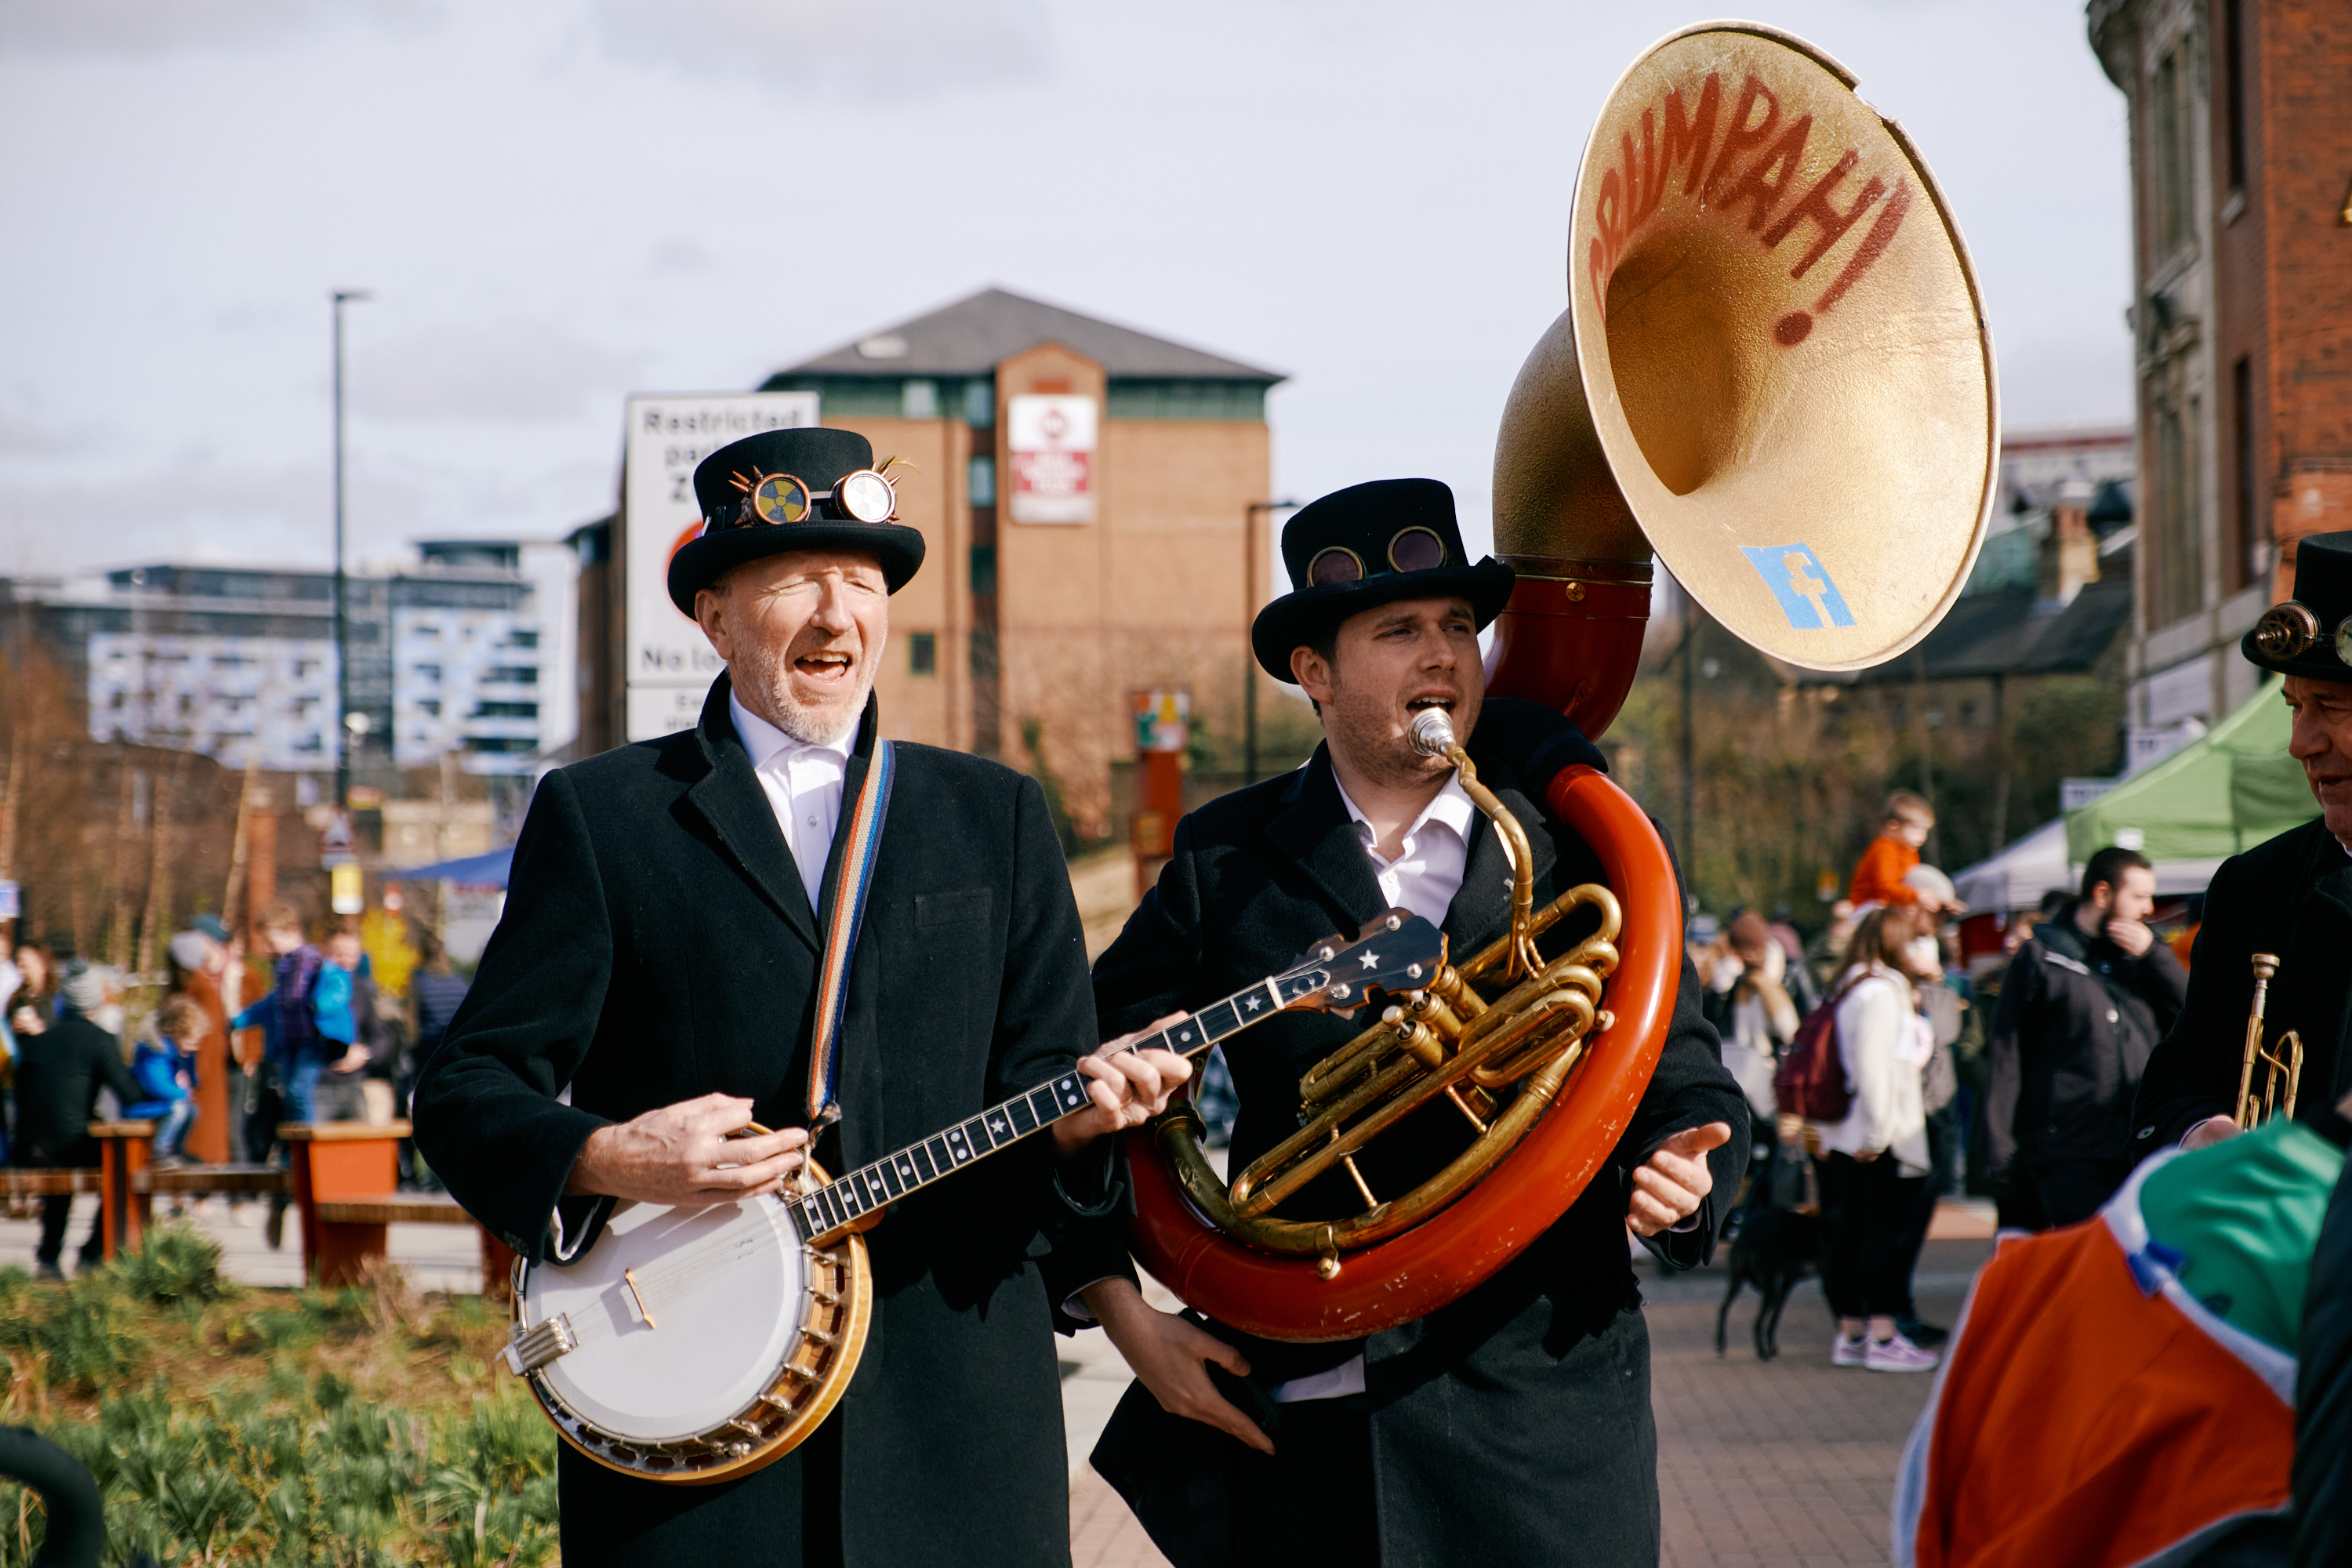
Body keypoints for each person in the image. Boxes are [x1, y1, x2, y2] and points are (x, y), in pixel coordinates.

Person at [411, 426, 1192, 1568]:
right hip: (696, 1433)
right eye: (795, 584)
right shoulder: (606, 815)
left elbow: (1048, 1108)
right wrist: (612, 1157)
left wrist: (1082, 1125)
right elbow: (466, 1088)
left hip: (953, 1426)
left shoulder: (998, 815)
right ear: (714, 617)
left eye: (863, 584)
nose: (837, 616)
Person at [1080, 479, 1748, 1566]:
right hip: (1297, 1426)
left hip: (1535, 1422)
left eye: (1456, 628)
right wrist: (1120, 1311)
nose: (1442, 657)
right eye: (1398, 632)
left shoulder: (1576, 847)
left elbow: (1686, 1071)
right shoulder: (1223, 858)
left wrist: (1683, 1163)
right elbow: (1094, 1081)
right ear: (1315, 672)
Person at [2132, 532, 2352, 1167]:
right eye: (2293, 708)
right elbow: (2176, 1082)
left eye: (2330, 707)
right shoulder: (2253, 887)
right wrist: (2202, 1129)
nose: (2300, 743)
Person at [1983, 846, 2184, 1227]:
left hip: (2137, 1143)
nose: (2149, 908)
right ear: (2103, 894)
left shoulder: (2141, 959)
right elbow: (2007, 1051)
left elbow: (2192, 1013)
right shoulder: (2041, 958)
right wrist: (2000, 1144)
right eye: (2139, 896)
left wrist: (2156, 957)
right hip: (2069, 1147)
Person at [1814, 902, 1941, 1373]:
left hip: (1842, 1132)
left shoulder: (1848, 987)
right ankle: (1883, 1337)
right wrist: (1880, 1131)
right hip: (1874, 1135)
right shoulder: (1882, 992)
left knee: (1847, 1234)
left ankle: (1851, 1335)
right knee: (1880, 1236)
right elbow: (1875, 1066)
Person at [12, 963, 141, 1278]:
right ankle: (92, 1254)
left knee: (61, 1174)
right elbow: (129, 1094)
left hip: (31, 1149)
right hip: (72, 1145)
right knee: (122, 1169)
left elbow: (22, 1097)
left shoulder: (37, 1042)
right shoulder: (100, 1040)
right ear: (95, 1002)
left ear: (65, 1002)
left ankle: (48, 1258)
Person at [127, 996, 204, 1166]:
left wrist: (191, 1083)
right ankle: (160, 1151)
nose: (195, 1047)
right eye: (191, 1041)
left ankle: (177, 1148)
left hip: (161, 1104)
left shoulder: (177, 1053)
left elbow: (189, 1077)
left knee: (192, 1110)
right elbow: (157, 1085)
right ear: (177, 1033)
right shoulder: (156, 1051)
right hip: (143, 1104)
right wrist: (184, 1092)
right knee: (179, 1109)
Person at [1848, 792, 1953, 913]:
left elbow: (1911, 883)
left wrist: (1940, 899)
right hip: (1868, 907)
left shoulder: (1909, 851)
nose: (1922, 837)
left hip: (1889, 906)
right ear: (1894, 827)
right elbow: (1885, 887)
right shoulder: (1884, 848)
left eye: (1925, 831)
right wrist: (1917, 896)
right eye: (1916, 830)